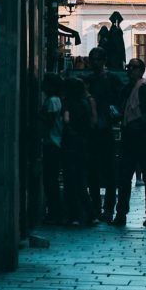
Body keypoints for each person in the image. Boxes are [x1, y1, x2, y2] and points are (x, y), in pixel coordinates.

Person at [114, 58, 146, 228]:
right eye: (128, 67)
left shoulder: (145, 88)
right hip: (129, 136)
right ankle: (121, 213)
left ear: (141, 70)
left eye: (133, 67)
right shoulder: (126, 88)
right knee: (124, 177)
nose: (129, 70)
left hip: (145, 138)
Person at [85, 46, 123, 222]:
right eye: (92, 59)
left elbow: (120, 99)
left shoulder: (112, 79)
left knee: (109, 171)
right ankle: (94, 207)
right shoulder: (88, 80)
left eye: (98, 59)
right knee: (92, 171)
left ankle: (108, 208)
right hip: (92, 130)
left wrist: (115, 114)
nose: (94, 62)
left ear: (104, 61)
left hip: (107, 129)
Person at [61, 77, 96, 226]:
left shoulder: (68, 103)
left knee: (70, 181)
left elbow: (66, 120)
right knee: (81, 182)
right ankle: (91, 214)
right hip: (84, 143)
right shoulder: (85, 103)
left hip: (70, 144)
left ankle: (74, 216)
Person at [40, 73, 65, 224]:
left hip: (53, 143)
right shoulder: (55, 100)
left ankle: (55, 212)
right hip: (53, 143)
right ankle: (55, 211)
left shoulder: (53, 101)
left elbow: (49, 121)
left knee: (51, 180)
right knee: (51, 180)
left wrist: (39, 116)